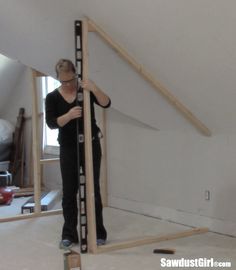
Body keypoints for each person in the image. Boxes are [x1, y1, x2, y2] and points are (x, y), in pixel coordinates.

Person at [45, 59, 111, 249]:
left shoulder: (85, 91)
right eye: (63, 81)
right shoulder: (52, 97)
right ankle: (69, 235)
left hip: (91, 146)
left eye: (71, 80)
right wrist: (68, 116)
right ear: (58, 79)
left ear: (76, 75)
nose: (68, 84)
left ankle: (98, 233)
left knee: (93, 190)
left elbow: (106, 103)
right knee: (69, 192)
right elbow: (51, 123)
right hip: (68, 148)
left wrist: (95, 88)